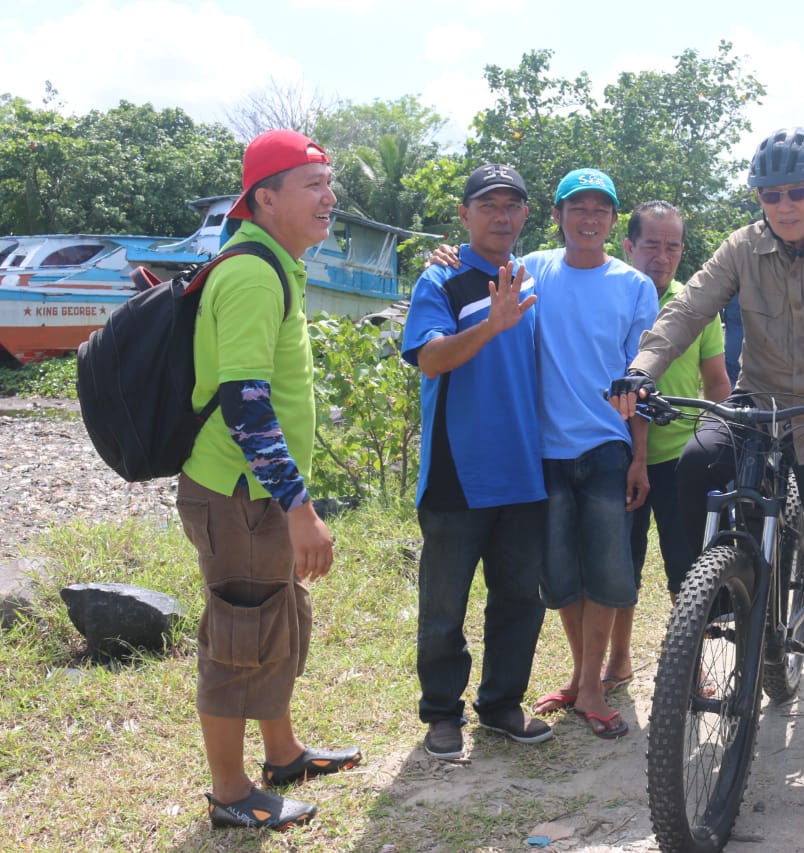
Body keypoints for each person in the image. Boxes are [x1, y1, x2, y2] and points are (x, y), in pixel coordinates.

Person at [610, 127, 804, 750]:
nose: (784, 205)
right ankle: (713, 597)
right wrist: (641, 371)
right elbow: (687, 309)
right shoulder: (741, 249)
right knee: (696, 463)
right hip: (758, 404)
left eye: (797, 192)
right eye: (770, 195)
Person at [176, 129, 361, 831]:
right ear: (264, 196)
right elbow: (245, 402)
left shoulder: (273, 263)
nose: (329, 197)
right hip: (239, 496)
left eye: (328, 181)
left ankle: (282, 753)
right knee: (238, 630)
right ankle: (230, 791)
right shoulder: (252, 272)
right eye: (312, 184)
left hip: (254, 496)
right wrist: (298, 505)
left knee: (274, 616)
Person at [401, 164, 553, 761]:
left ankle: (500, 706)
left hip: (523, 470)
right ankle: (442, 713)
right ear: (464, 215)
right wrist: (490, 325)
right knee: (444, 605)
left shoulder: (530, 277)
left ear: (523, 216)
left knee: (519, 598)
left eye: (512, 205)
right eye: (487, 204)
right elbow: (430, 360)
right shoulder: (439, 281)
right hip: (457, 472)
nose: (501, 215)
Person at [526, 168, 657, 740]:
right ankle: (584, 678)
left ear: (613, 221)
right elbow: (476, 269)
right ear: (557, 216)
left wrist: (639, 457)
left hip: (607, 444)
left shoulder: (634, 287)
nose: (588, 219)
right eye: (576, 207)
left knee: (606, 570)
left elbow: (643, 381)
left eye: (600, 210)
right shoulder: (533, 270)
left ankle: (592, 686)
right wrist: (444, 259)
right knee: (560, 572)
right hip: (544, 447)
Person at [607, 201, 731, 689]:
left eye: (672, 246)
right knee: (622, 566)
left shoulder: (697, 306)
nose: (662, 256)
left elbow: (717, 381)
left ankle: (689, 665)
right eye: (651, 245)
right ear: (629, 246)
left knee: (688, 571)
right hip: (619, 453)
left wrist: (724, 439)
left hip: (683, 456)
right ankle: (618, 661)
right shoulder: (612, 292)